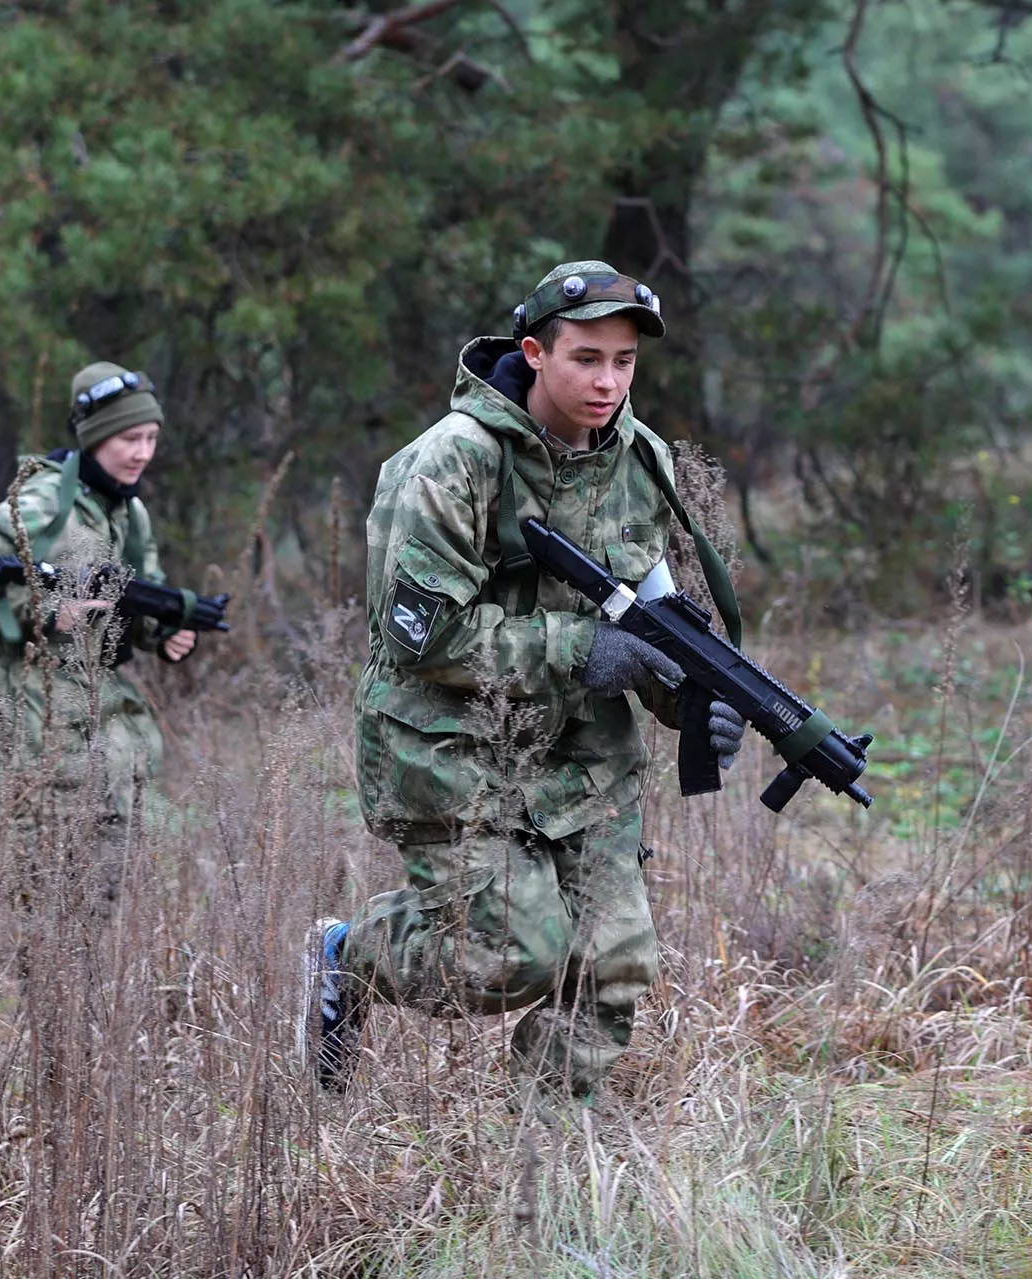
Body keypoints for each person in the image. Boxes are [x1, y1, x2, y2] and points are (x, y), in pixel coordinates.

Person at [301, 261, 749, 1106]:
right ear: (536, 352)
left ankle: (539, 1164)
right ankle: (346, 955)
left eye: (624, 361)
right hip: (450, 742)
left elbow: (655, 620)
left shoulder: (640, 461)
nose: (607, 380)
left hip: (584, 755)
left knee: (613, 969)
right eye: (586, 357)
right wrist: (582, 650)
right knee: (508, 955)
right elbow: (415, 634)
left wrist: (690, 699)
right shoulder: (451, 463)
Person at [0, 362, 198, 905]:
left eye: (150, 438)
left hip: (104, 716)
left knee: (102, 874)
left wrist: (161, 631)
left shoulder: (127, 510)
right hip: (35, 713)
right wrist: (46, 612)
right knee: (37, 880)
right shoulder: (44, 504)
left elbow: (137, 592)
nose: (142, 452)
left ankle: (74, 989)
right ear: (96, 439)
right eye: (128, 439)